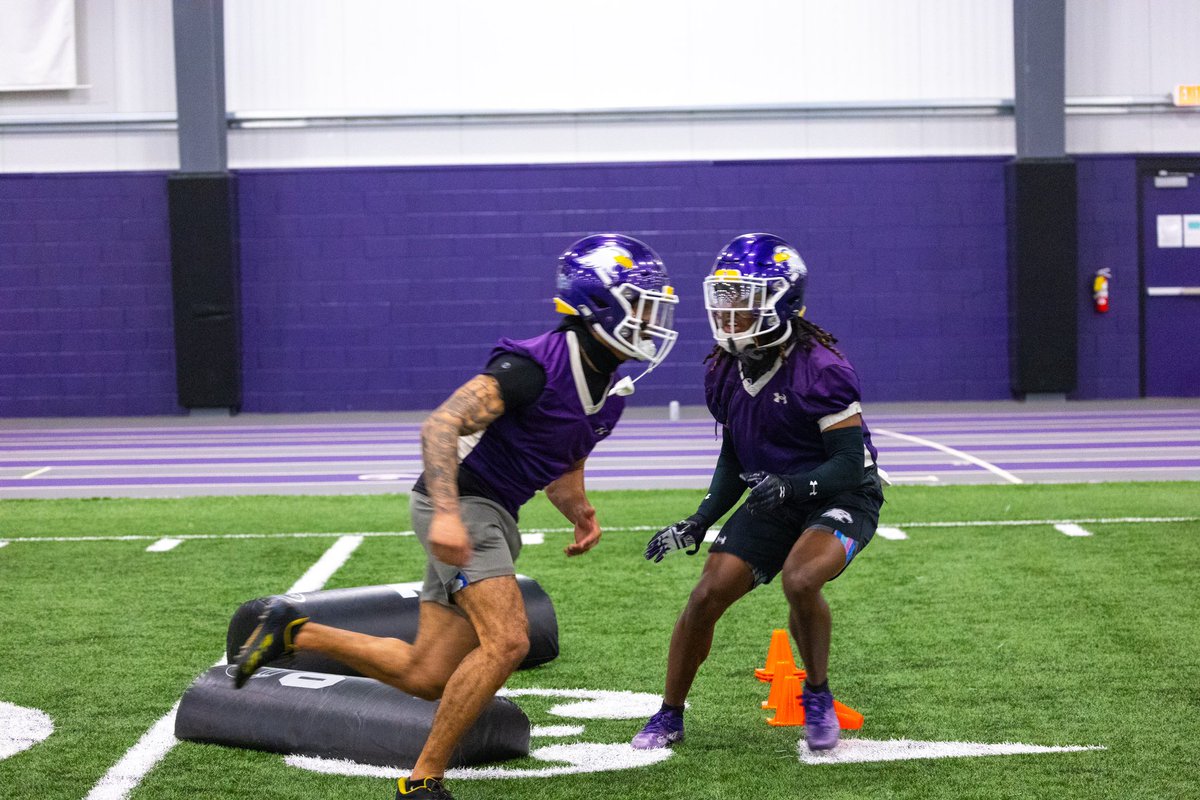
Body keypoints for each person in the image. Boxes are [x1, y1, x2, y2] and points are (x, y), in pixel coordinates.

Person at [232, 233, 679, 800]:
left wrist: (580, 511)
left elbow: (566, 458)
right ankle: (421, 783)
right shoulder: (530, 367)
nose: (651, 319)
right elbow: (440, 426)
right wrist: (446, 514)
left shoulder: (613, 386)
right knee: (509, 641)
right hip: (464, 502)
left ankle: (290, 628)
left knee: (427, 674)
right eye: (641, 304)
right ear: (598, 303)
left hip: (494, 511)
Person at [632, 232, 885, 753]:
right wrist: (699, 521)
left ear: (781, 301)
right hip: (775, 494)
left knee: (800, 577)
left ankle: (816, 695)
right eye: (725, 299)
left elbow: (848, 463)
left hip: (839, 492)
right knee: (706, 595)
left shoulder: (823, 369)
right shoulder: (723, 368)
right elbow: (734, 456)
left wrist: (792, 487)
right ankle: (669, 713)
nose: (730, 312)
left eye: (744, 299)